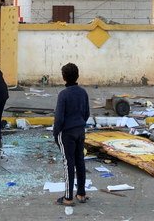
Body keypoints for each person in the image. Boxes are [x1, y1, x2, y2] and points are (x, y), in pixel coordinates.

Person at [53, 63, 90, 206]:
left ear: (63, 77)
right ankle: (81, 193)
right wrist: (80, 123)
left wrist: (56, 134)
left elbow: (59, 118)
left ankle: (68, 197)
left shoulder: (63, 95)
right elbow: (87, 113)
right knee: (79, 160)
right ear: (77, 76)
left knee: (68, 162)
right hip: (80, 130)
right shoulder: (83, 93)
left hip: (67, 133)